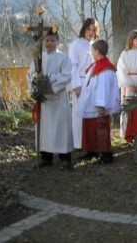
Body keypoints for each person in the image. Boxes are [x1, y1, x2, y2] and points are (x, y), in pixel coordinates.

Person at [29, 29, 73, 170]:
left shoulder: (63, 58)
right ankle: (46, 157)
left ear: (58, 42)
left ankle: (65, 158)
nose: (49, 43)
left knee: (60, 128)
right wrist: (35, 81)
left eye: (52, 40)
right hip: (44, 101)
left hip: (58, 98)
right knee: (45, 129)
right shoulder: (38, 58)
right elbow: (30, 74)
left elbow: (66, 76)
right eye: (47, 40)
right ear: (43, 42)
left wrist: (48, 80)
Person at [77, 39, 120, 164]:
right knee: (89, 128)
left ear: (97, 51)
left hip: (98, 106)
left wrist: (101, 105)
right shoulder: (96, 66)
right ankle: (91, 151)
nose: (92, 53)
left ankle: (106, 154)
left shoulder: (105, 69)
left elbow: (103, 88)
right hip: (90, 104)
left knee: (101, 130)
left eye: (93, 50)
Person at [68, 18, 99, 152]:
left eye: (93, 30)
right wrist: (76, 86)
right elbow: (72, 67)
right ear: (84, 29)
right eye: (88, 29)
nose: (91, 32)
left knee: (92, 114)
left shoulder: (95, 45)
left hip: (94, 83)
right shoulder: (76, 44)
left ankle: (91, 143)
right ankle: (79, 143)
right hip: (81, 83)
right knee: (79, 114)